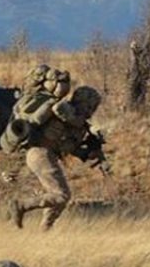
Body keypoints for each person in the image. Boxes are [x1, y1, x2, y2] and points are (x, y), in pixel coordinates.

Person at [9, 84, 103, 230]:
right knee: (61, 195)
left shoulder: (81, 125)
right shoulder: (65, 108)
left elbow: (70, 148)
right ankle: (21, 205)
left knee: (58, 197)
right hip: (40, 153)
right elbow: (58, 109)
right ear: (82, 102)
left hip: (47, 155)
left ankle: (45, 228)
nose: (92, 110)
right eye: (90, 105)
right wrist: (77, 121)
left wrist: (89, 153)